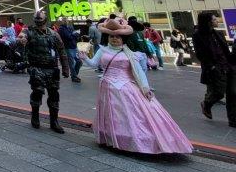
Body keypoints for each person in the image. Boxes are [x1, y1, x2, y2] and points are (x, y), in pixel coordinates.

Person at [79, 18, 193, 153]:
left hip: (127, 88)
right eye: (111, 37)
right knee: (113, 116)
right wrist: (85, 58)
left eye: (118, 37)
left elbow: (139, 71)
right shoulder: (102, 50)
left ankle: (138, 140)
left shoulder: (129, 53)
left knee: (134, 115)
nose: (114, 39)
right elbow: (93, 64)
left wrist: (145, 88)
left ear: (123, 39)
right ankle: (113, 137)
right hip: (107, 87)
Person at [18, 10, 70, 133]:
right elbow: (21, 36)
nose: (38, 23)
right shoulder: (29, 31)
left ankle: (54, 121)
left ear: (45, 21)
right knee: (37, 92)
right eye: (37, 21)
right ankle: (35, 116)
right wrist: (22, 39)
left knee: (54, 95)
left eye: (40, 21)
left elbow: (62, 51)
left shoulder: (53, 34)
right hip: (37, 68)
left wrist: (66, 68)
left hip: (52, 68)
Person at [194, 12, 236, 127]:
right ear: (208, 21)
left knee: (233, 93)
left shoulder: (219, 33)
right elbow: (200, 54)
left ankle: (233, 120)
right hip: (216, 68)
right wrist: (212, 67)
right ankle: (207, 104)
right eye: (214, 19)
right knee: (219, 93)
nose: (217, 21)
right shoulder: (198, 35)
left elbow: (226, 51)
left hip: (228, 66)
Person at [57, 18, 82, 83]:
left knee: (79, 61)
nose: (65, 21)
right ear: (61, 22)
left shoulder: (70, 27)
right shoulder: (61, 29)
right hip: (68, 48)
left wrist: (75, 35)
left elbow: (73, 36)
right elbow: (69, 37)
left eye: (66, 20)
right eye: (63, 20)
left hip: (74, 46)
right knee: (72, 63)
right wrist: (75, 34)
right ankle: (74, 76)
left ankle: (74, 75)